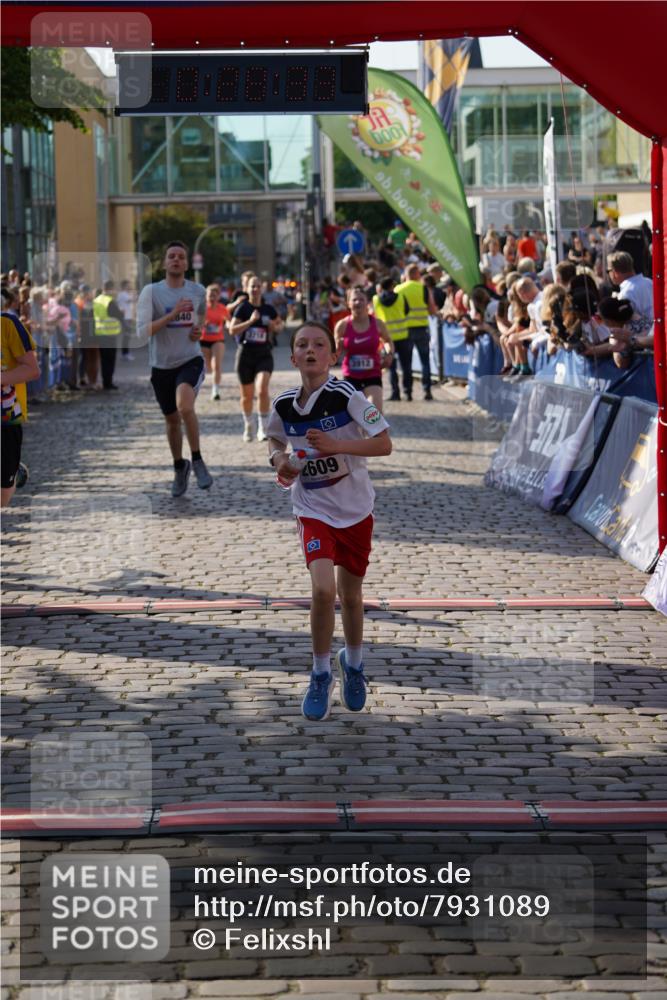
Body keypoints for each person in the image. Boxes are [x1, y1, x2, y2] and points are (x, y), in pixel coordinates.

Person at [266, 321, 392, 721]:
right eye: (302, 344)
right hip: (312, 507)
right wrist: (280, 462)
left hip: (355, 508)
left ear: (333, 356)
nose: (310, 350)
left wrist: (338, 445)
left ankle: (352, 664)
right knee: (323, 590)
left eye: (319, 344)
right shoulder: (285, 403)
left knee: (351, 596)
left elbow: (384, 443)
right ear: (292, 358)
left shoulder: (348, 396)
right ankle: (320, 674)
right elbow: (274, 439)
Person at [137, 240, 213, 496]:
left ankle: (198, 459)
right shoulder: (151, 292)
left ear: (187, 263)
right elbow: (142, 332)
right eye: (172, 256)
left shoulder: (197, 290)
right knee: (171, 420)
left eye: (181, 256)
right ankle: (180, 466)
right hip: (161, 366)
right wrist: (171, 316)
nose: (176, 260)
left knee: (185, 406)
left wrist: (198, 329)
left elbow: (201, 315)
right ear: (164, 262)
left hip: (190, 359)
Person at [229, 274, 282, 442]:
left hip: (264, 354)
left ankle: (263, 428)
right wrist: (250, 322)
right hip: (245, 354)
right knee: (246, 395)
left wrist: (274, 326)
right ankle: (248, 424)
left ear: (262, 288)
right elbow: (232, 330)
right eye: (252, 286)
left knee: (262, 389)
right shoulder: (243, 308)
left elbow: (280, 326)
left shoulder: (269, 309)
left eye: (258, 286)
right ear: (247, 289)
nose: (255, 289)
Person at [2, 288, 40, 506]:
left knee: (3, 495)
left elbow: (32, 370)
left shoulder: (7, 324)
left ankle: (12, 474)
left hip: (6, 416)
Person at [334, 286, 393, 413]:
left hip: (373, 373)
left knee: (374, 413)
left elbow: (387, 340)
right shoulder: (342, 325)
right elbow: (334, 352)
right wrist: (337, 347)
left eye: (361, 299)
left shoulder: (378, 324)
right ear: (348, 303)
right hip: (350, 376)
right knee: (353, 416)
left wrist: (389, 354)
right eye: (354, 300)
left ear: (367, 302)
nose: (358, 302)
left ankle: (376, 433)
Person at [395, 263, 435, 400]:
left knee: (407, 363)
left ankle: (408, 392)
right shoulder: (423, 288)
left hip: (405, 330)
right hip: (421, 329)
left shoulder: (398, 289)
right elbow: (432, 309)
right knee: (425, 361)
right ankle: (427, 390)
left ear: (406, 275)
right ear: (417, 274)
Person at [373, 276, 411, 401]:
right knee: (406, 366)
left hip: (387, 338)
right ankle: (408, 392)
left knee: (392, 367)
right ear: (391, 286)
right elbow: (406, 311)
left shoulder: (376, 299)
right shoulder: (401, 297)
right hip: (403, 336)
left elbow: (375, 316)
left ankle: (395, 393)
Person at [607, 251, 653, 334]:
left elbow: (627, 328)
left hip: (643, 341)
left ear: (614, 272)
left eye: (608, 271)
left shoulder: (625, 294)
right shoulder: (649, 282)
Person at [93, 280, 124, 390]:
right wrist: (122, 313)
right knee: (110, 359)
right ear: (110, 288)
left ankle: (105, 380)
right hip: (110, 334)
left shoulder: (96, 300)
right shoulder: (109, 301)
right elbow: (118, 315)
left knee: (103, 359)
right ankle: (108, 382)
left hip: (99, 333)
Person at [201, 283, 229, 400]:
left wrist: (227, 325)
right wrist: (203, 324)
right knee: (208, 366)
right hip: (203, 340)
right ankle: (214, 380)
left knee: (216, 364)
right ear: (206, 296)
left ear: (218, 297)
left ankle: (215, 389)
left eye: (214, 296)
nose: (212, 298)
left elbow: (229, 321)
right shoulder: (202, 308)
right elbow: (195, 323)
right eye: (210, 296)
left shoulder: (222, 309)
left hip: (218, 340)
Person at [117, 279, 136, 360]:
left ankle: (126, 353)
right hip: (125, 318)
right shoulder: (122, 294)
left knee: (127, 336)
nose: (129, 286)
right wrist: (134, 295)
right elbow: (131, 300)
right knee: (126, 336)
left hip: (128, 317)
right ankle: (125, 353)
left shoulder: (126, 294)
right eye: (128, 285)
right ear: (124, 286)